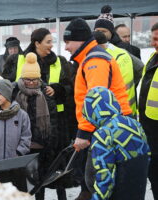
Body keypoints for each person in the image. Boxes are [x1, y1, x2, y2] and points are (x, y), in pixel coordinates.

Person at [63, 18, 132, 200]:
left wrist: (84, 133)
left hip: (108, 130)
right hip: (108, 128)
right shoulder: (91, 58)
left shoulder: (95, 60)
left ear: (79, 40)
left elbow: (97, 102)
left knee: (97, 181)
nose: (66, 47)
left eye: (67, 42)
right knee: (94, 180)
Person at [12, 52, 71, 200]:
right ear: (22, 78)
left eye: (34, 79)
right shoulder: (15, 93)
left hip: (45, 144)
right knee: (31, 182)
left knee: (51, 179)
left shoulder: (46, 93)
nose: (31, 83)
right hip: (25, 144)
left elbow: (53, 120)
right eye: (27, 79)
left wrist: (51, 142)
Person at [83, 86, 150, 200]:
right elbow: (147, 155)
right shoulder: (134, 124)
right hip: (138, 189)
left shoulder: (104, 134)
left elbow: (104, 177)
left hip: (119, 192)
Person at [92, 31, 143, 117]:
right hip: (130, 109)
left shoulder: (101, 57)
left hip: (114, 113)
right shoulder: (122, 51)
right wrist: (133, 85)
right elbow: (140, 68)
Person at [139, 22, 158, 200]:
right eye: (153, 39)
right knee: (153, 175)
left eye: (157, 39)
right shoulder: (152, 59)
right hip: (149, 128)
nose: (154, 43)